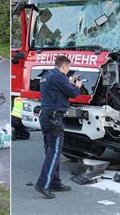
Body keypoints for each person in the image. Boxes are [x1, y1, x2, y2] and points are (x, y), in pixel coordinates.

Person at [34, 55, 82, 199]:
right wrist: (77, 86)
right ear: (64, 66)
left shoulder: (47, 76)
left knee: (50, 149)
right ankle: (43, 184)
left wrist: (69, 81)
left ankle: (55, 182)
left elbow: (57, 89)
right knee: (54, 152)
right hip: (55, 118)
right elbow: (73, 93)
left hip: (45, 116)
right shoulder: (59, 77)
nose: (68, 71)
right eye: (68, 68)